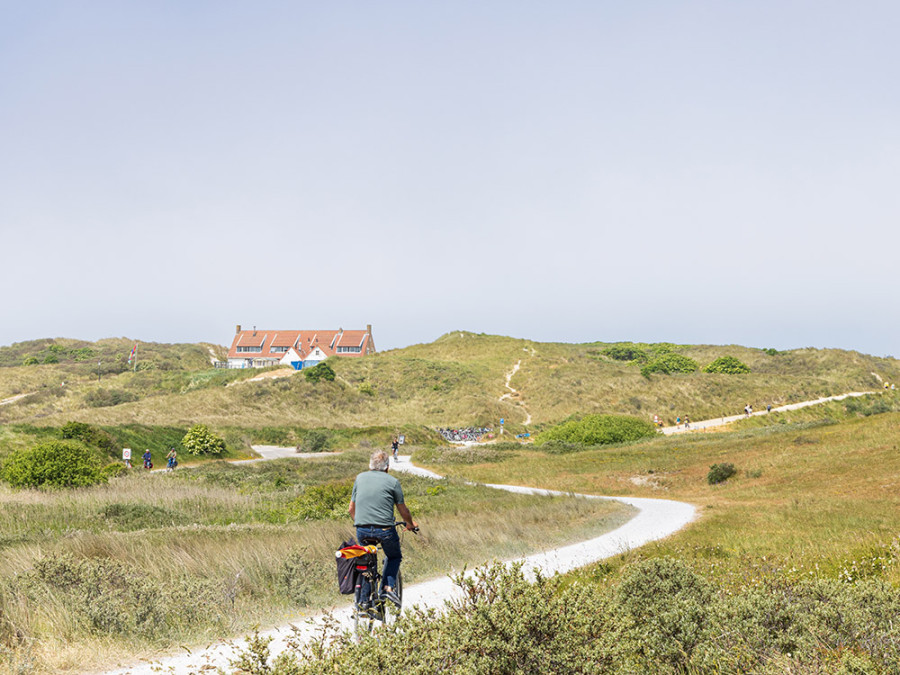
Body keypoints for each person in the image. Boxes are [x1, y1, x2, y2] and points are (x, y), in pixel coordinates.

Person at [348, 450, 417, 607]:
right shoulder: (393, 482)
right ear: (387, 467)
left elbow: (351, 509)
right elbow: (403, 511)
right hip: (385, 530)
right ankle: (387, 587)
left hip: (362, 529)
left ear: (370, 465)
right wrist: (410, 524)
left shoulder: (359, 478)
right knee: (394, 556)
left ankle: (364, 602)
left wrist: (361, 522)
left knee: (365, 560)